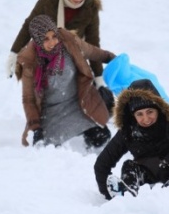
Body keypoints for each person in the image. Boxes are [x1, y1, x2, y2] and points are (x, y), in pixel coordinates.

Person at [6, 0, 114, 111]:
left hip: (71, 52)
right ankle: (42, 115)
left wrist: (99, 78)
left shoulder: (90, 8)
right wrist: (14, 52)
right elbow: (29, 26)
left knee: (76, 79)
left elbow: (92, 42)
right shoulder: (49, 0)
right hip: (44, 52)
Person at [15, 14, 115, 148]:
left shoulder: (68, 42)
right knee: (53, 152)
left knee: (101, 138)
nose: (52, 42)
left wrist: (113, 59)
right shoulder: (30, 62)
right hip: (51, 113)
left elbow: (92, 52)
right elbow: (28, 99)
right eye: (45, 39)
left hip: (79, 102)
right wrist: (36, 127)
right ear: (37, 40)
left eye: (54, 36)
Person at [94, 79, 169, 200]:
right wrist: (108, 194)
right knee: (129, 166)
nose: (146, 119)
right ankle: (127, 195)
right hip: (146, 175)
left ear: (158, 109)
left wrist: (168, 161)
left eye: (150, 112)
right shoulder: (128, 130)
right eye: (139, 114)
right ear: (133, 115)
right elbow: (102, 164)